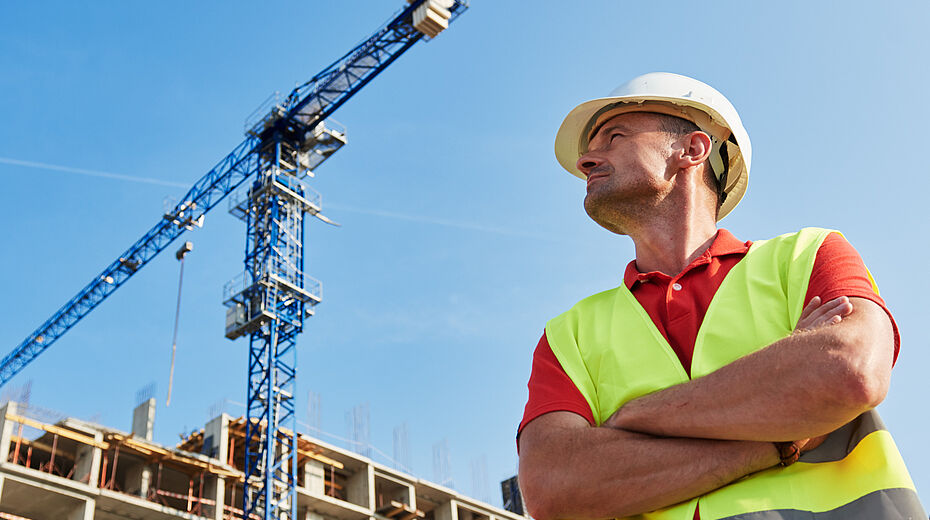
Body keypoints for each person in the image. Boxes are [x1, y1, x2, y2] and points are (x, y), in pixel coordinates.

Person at [516, 72, 926, 520]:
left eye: (613, 136)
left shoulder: (808, 255)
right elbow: (553, 488)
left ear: (692, 150)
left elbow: (851, 373)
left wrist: (633, 417)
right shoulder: (569, 333)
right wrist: (779, 436)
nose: (586, 161)